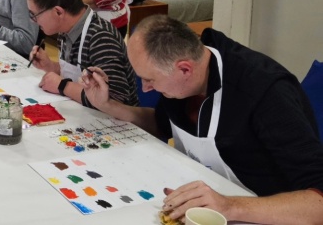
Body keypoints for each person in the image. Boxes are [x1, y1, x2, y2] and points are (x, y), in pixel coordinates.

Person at [81, 15, 323, 225]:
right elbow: (161, 125)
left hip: (263, 212)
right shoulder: (185, 78)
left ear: (185, 69)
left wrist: (230, 206)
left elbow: (318, 203)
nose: (145, 88)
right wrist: (107, 105)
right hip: (203, 198)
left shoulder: (266, 92)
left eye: (150, 80)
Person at [25, 0, 137, 108]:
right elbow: (79, 75)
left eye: (34, 15)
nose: (33, 21)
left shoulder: (101, 37)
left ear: (58, 12)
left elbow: (116, 101)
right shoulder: (65, 29)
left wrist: (63, 86)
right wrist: (51, 66)